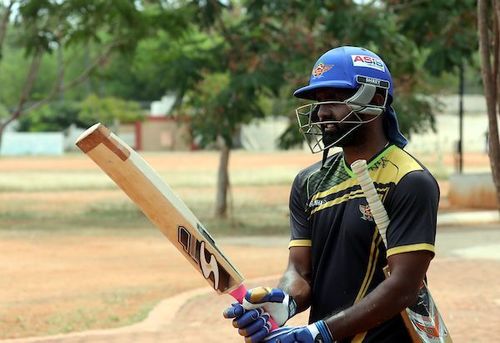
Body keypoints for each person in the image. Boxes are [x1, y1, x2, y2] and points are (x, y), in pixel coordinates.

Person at [223, 46, 439, 343]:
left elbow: (404, 286)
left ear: (375, 100)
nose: (322, 112)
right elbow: (299, 270)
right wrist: (284, 302)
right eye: (319, 101)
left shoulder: (409, 180)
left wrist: (319, 332)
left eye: (336, 99)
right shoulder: (309, 182)